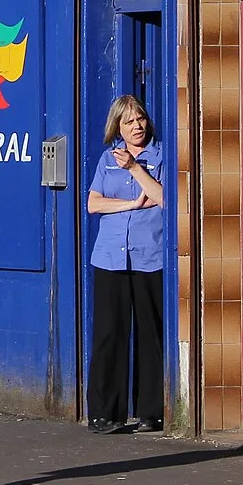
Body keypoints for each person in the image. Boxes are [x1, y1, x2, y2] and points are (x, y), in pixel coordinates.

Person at [86, 92, 166, 433]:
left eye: (141, 120)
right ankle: (105, 413)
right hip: (110, 257)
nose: (137, 127)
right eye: (129, 122)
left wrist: (134, 168)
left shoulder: (159, 156)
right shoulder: (107, 159)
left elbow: (164, 198)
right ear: (117, 126)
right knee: (109, 334)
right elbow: (94, 204)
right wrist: (131, 205)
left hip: (150, 256)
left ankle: (150, 411)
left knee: (150, 334)